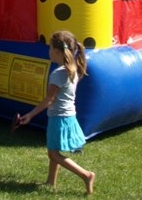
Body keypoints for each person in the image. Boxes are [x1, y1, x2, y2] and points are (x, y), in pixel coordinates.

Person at [18, 30, 95, 195]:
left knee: (53, 154)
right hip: (67, 116)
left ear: (58, 51)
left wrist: (30, 115)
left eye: (50, 48)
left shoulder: (58, 74)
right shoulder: (72, 68)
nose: (48, 51)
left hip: (59, 118)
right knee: (54, 149)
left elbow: (49, 100)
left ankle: (86, 175)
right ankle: (51, 181)